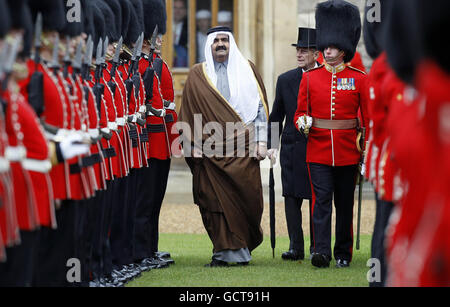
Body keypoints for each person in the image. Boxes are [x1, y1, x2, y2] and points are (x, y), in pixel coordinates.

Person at [179, 26, 268, 267]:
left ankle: (242, 250)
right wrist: (190, 145)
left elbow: (261, 110)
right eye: (216, 40)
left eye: (225, 40)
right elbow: (187, 112)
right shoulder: (198, 74)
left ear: (232, 43)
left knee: (247, 199)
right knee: (213, 202)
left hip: (244, 149)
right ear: (209, 44)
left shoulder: (248, 69)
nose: (221, 44)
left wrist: (263, 142)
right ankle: (222, 253)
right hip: (209, 151)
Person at [293, 0, 368, 269]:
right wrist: (302, 121)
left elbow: (367, 119)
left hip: (349, 151)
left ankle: (343, 252)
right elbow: (300, 111)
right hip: (318, 149)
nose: (327, 49)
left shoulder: (359, 78)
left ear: (343, 47)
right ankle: (321, 251)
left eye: (332, 45)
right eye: (326, 45)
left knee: (344, 204)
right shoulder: (310, 78)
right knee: (321, 201)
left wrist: (367, 151)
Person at [267, 27, 318, 261]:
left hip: (318, 147)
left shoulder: (326, 78)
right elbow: (276, 116)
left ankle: (319, 247)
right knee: (291, 198)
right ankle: (296, 247)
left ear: (316, 54)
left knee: (318, 198)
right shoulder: (286, 79)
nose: (299, 54)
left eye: (304, 51)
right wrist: (271, 145)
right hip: (291, 147)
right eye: (298, 50)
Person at [173, 0, 188, 67]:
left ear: (185, 11)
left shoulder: (190, 28)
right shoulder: (163, 26)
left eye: (181, 8)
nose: (177, 11)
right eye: (175, 8)